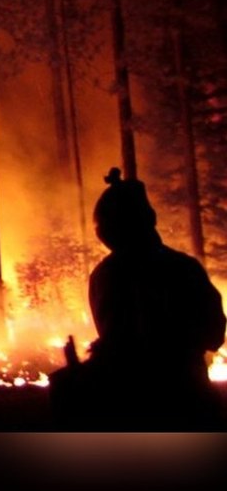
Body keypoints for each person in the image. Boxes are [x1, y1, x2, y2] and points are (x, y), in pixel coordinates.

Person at [53, 167, 226, 430]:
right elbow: (214, 333)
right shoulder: (183, 267)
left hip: (134, 400)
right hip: (186, 396)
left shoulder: (106, 274)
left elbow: (117, 339)